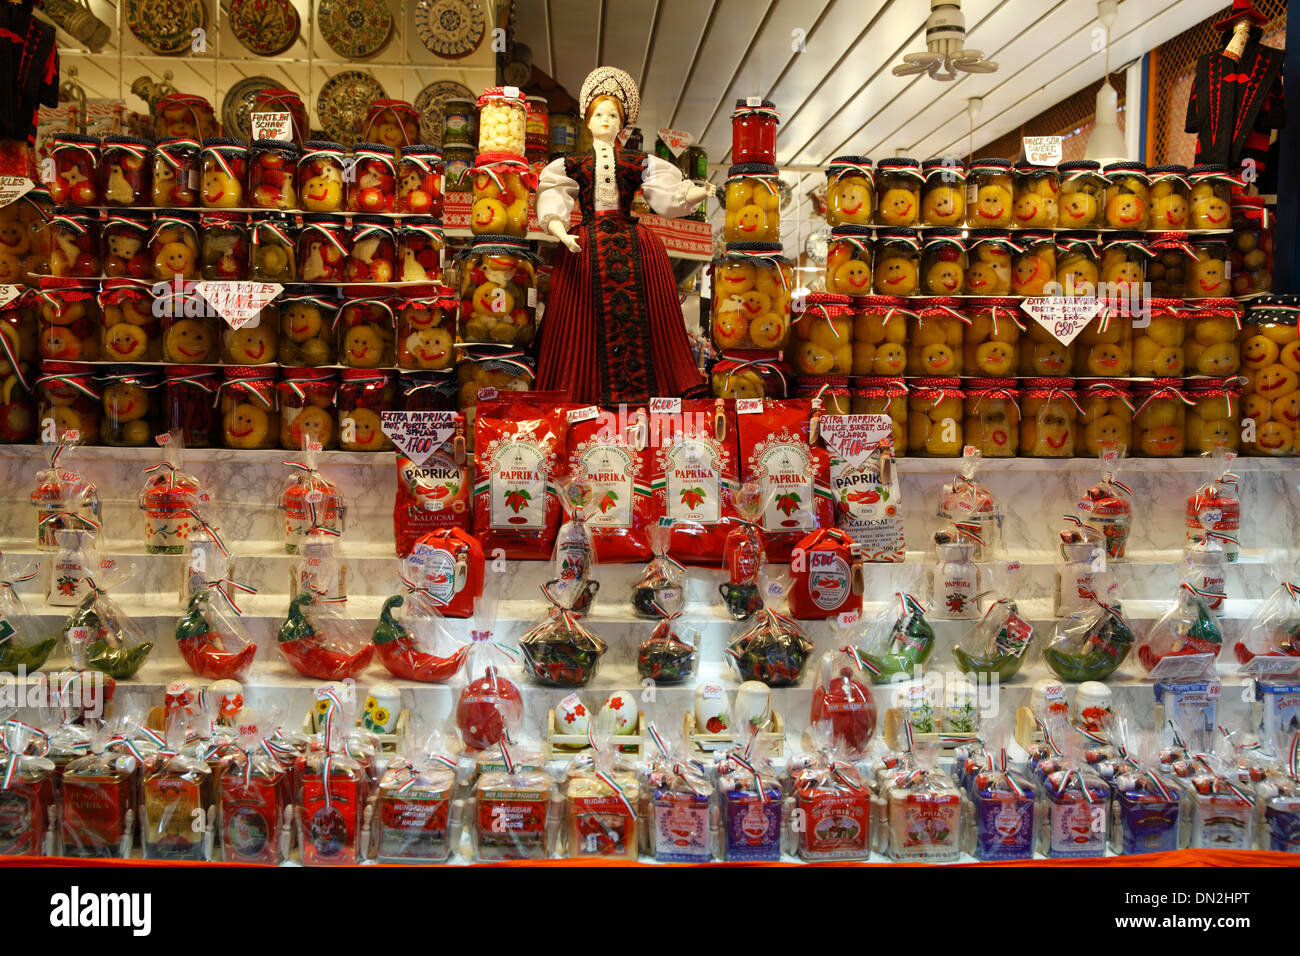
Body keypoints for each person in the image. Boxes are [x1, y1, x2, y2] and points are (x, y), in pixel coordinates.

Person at [535, 66, 710, 405]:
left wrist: (696, 193)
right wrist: (559, 230)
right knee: (581, 320)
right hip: (584, 246)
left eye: (612, 114)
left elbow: (668, 196)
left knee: (649, 318)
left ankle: (647, 395)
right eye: (599, 113)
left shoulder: (638, 161)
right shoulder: (572, 164)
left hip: (634, 245)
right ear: (588, 120)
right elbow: (552, 197)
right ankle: (581, 393)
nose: (605, 119)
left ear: (622, 122)